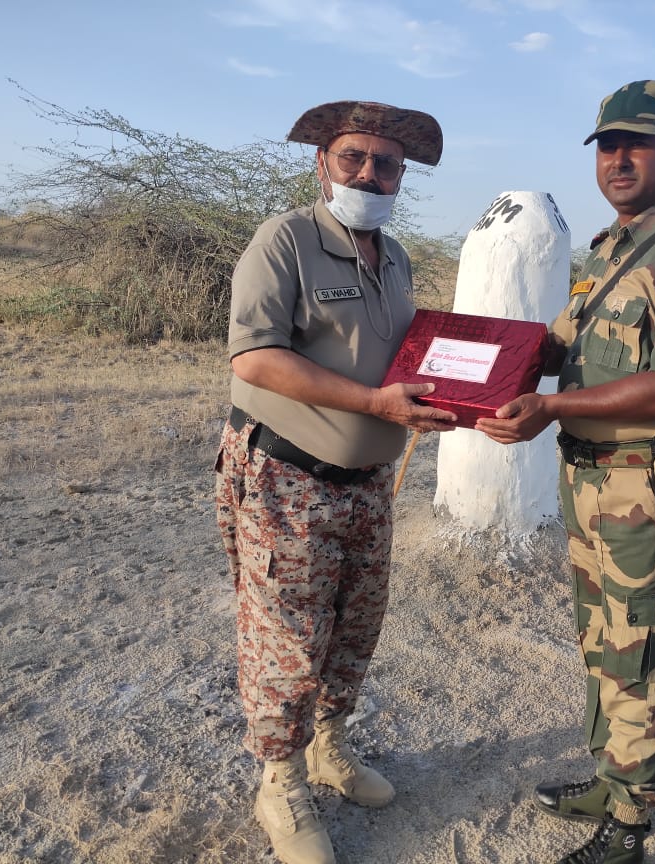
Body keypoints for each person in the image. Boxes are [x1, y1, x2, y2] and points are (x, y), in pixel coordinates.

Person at [476, 80, 655, 864]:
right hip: (591, 484)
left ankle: (631, 825)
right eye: (607, 144)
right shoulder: (607, 251)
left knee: (643, 654)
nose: (620, 158)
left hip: (650, 488)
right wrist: (466, 366)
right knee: (601, 641)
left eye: (638, 142)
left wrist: (550, 411)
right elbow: (553, 348)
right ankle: (610, 779)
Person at [214, 100, 457, 864]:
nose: (369, 173)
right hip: (287, 474)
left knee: (355, 627)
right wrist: (375, 403)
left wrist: (440, 394)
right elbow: (254, 359)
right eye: (353, 157)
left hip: (366, 484)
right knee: (287, 635)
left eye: (386, 164)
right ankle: (279, 781)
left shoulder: (396, 256)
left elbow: (396, 359)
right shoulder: (284, 240)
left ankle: (329, 747)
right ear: (323, 163)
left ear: (401, 178)